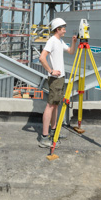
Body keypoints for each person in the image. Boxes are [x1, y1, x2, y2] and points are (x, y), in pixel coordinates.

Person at [38, 18, 77, 148]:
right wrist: (51, 71)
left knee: (55, 105)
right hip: (55, 78)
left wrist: (73, 42)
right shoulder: (52, 41)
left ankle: (54, 132)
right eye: (63, 28)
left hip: (60, 78)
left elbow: (71, 52)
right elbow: (42, 57)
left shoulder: (60, 41)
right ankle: (44, 137)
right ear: (57, 29)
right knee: (50, 106)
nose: (65, 30)